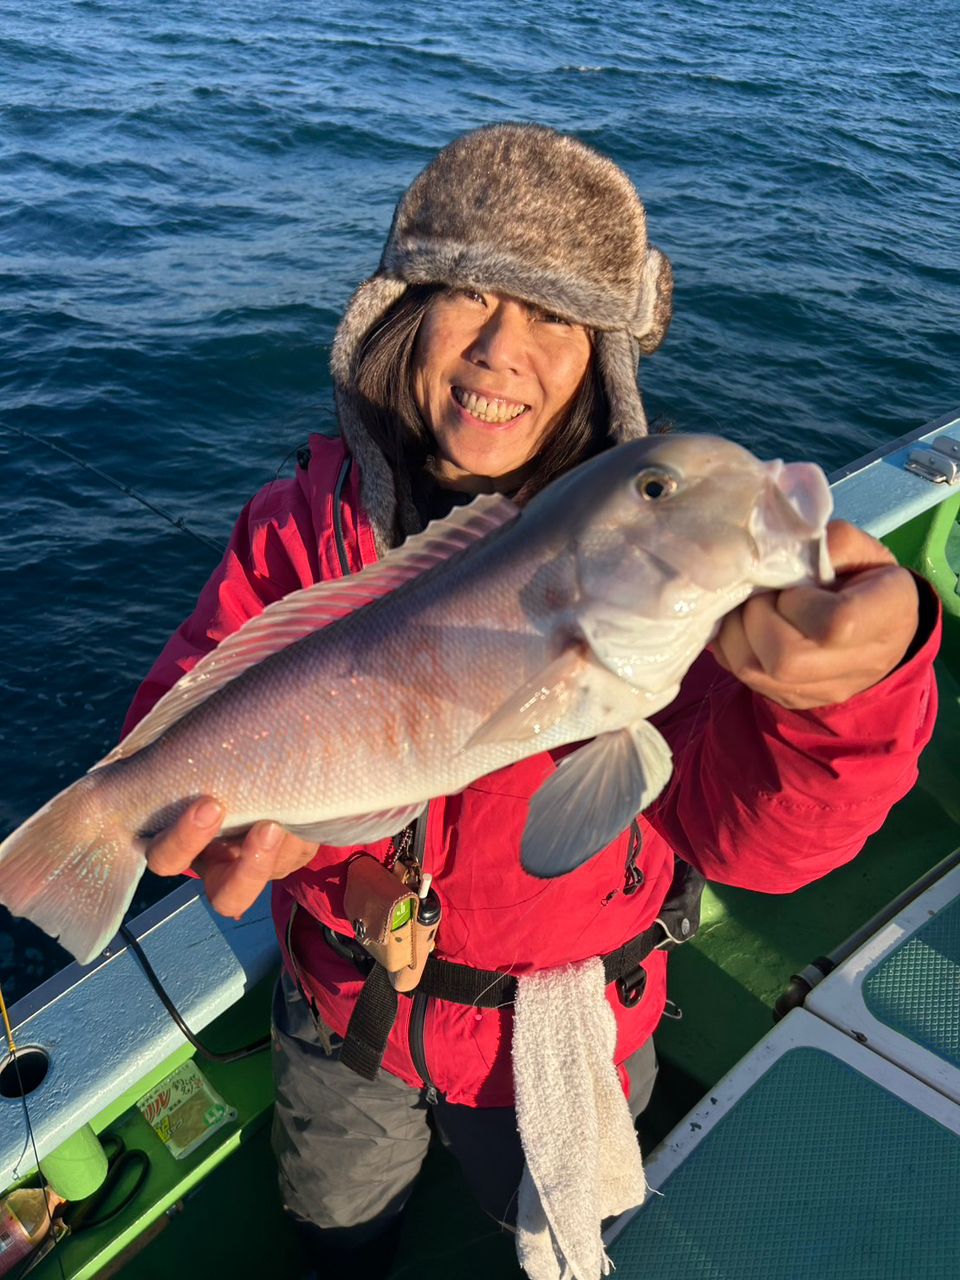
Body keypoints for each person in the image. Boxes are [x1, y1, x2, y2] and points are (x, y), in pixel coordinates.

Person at [125, 124, 938, 1276]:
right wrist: (329, 862)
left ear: (605, 355)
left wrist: (846, 694)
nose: (502, 349)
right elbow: (182, 731)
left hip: (563, 1038)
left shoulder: (668, 571)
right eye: (466, 295)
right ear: (401, 317)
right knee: (339, 1225)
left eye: (554, 316)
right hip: (341, 1009)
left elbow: (755, 843)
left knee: (565, 1238)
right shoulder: (295, 529)